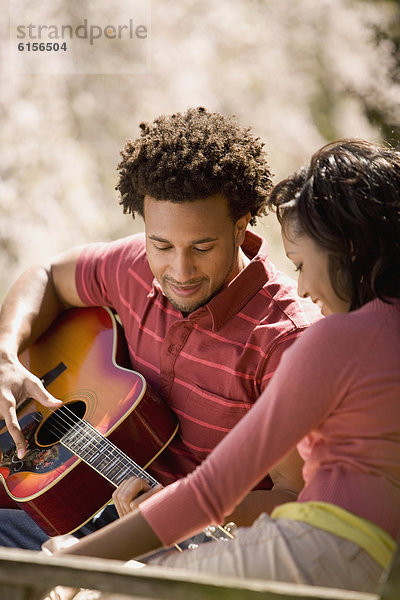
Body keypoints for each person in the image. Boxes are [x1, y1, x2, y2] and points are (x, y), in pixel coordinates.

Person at [54, 139, 400, 594]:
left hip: (326, 543)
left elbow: (213, 492)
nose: (303, 286)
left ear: (347, 251)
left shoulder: (328, 339)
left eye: (303, 263)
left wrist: (70, 565)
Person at [0, 107, 320, 550]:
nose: (180, 270)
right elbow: (47, 275)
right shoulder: (134, 267)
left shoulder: (285, 341)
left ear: (241, 224)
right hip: (83, 496)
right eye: (162, 245)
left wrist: (190, 505)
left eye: (202, 247)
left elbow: (296, 498)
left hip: (192, 546)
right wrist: (7, 357)